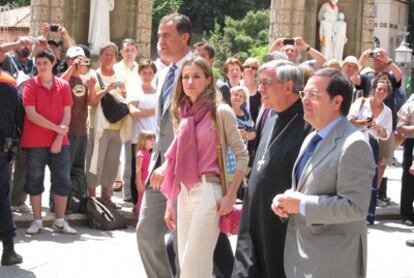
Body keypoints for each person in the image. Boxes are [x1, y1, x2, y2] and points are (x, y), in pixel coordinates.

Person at [272, 68, 375, 278]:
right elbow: (305, 189)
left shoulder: (354, 144)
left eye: (314, 95)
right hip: (303, 257)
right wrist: (285, 202)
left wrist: (301, 204)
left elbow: (355, 206)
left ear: (337, 102)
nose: (305, 101)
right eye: (304, 94)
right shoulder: (312, 138)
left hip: (332, 263)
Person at [160, 57, 248, 278]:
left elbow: (242, 155)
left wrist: (230, 196)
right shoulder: (182, 113)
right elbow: (177, 161)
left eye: (197, 76)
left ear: (209, 80)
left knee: (192, 270)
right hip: (184, 194)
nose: (190, 82)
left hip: (210, 192)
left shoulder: (221, 112)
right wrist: (170, 202)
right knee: (190, 267)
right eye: (186, 77)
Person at [232, 60, 311, 278]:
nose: (260, 89)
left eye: (266, 83)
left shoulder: (308, 124)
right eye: (259, 83)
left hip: (281, 229)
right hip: (253, 221)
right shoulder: (271, 116)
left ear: (288, 86)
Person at [136, 13, 192, 278]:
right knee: (146, 234)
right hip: (158, 168)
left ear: (185, 37)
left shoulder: (195, 72)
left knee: (183, 245)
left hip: (185, 170)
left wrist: (170, 162)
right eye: (159, 35)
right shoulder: (165, 72)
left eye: (166, 35)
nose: (161, 41)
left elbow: (193, 127)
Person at [22, 50, 77, 235]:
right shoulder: (30, 85)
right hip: (35, 142)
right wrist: (57, 130)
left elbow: (67, 113)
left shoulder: (63, 85)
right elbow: (31, 114)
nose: (41, 66)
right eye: (38, 63)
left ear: (52, 63)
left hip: (60, 141)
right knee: (34, 180)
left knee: (63, 180)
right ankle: (37, 221)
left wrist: (60, 137)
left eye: (45, 62)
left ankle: (59, 221)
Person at [86, 42, 131, 209]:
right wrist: (105, 90)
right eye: (106, 54)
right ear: (100, 56)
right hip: (99, 126)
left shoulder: (120, 75)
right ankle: (92, 198)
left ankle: (106, 197)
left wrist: (123, 91)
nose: (109, 57)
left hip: (117, 126)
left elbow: (125, 99)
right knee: (95, 162)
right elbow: (91, 102)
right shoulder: (94, 75)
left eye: (112, 54)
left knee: (111, 164)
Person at [348, 76, 393, 224]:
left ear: (387, 93)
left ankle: (368, 215)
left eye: (384, 90)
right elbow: (349, 119)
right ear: (374, 89)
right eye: (379, 89)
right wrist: (363, 122)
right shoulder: (361, 102)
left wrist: (376, 127)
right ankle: (349, 210)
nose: (381, 92)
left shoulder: (387, 112)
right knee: (352, 175)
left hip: (373, 144)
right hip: (356, 141)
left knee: (370, 178)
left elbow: (386, 135)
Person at [0, 71, 23, 266]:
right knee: (2, 197)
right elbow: (20, 117)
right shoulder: (9, 85)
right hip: (2, 148)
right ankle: (8, 250)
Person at [128, 59, 157, 207]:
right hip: (139, 137)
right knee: (138, 170)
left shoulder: (157, 90)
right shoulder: (135, 90)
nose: (147, 75)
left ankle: (150, 202)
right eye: (144, 72)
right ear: (139, 74)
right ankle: (136, 204)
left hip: (155, 137)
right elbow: (133, 111)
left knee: (153, 169)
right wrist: (153, 112)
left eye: (150, 72)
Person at [114, 38, 140, 197]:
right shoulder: (116, 68)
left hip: (135, 116)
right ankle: (113, 182)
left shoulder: (142, 68)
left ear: (136, 51)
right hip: (118, 114)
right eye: (126, 50)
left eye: (132, 50)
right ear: (121, 52)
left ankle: (128, 191)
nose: (129, 53)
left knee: (131, 154)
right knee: (115, 152)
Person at [396, 99, 414, 226]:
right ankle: (407, 214)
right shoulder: (409, 105)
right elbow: (400, 128)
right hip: (412, 142)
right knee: (409, 179)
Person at [134, 130, 155, 218]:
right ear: (143, 141)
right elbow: (138, 169)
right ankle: (139, 217)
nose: (153, 142)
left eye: (153, 140)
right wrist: (139, 182)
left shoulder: (151, 154)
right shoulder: (141, 154)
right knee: (141, 200)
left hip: (149, 181)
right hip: (143, 181)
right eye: (150, 140)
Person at [240, 57, 261, 124]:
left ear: (257, 71)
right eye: (247, 66)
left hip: (255, 128)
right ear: (243, 69)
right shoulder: (237, 86)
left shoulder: (260, 88)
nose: (250, 69)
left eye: (253, 68)